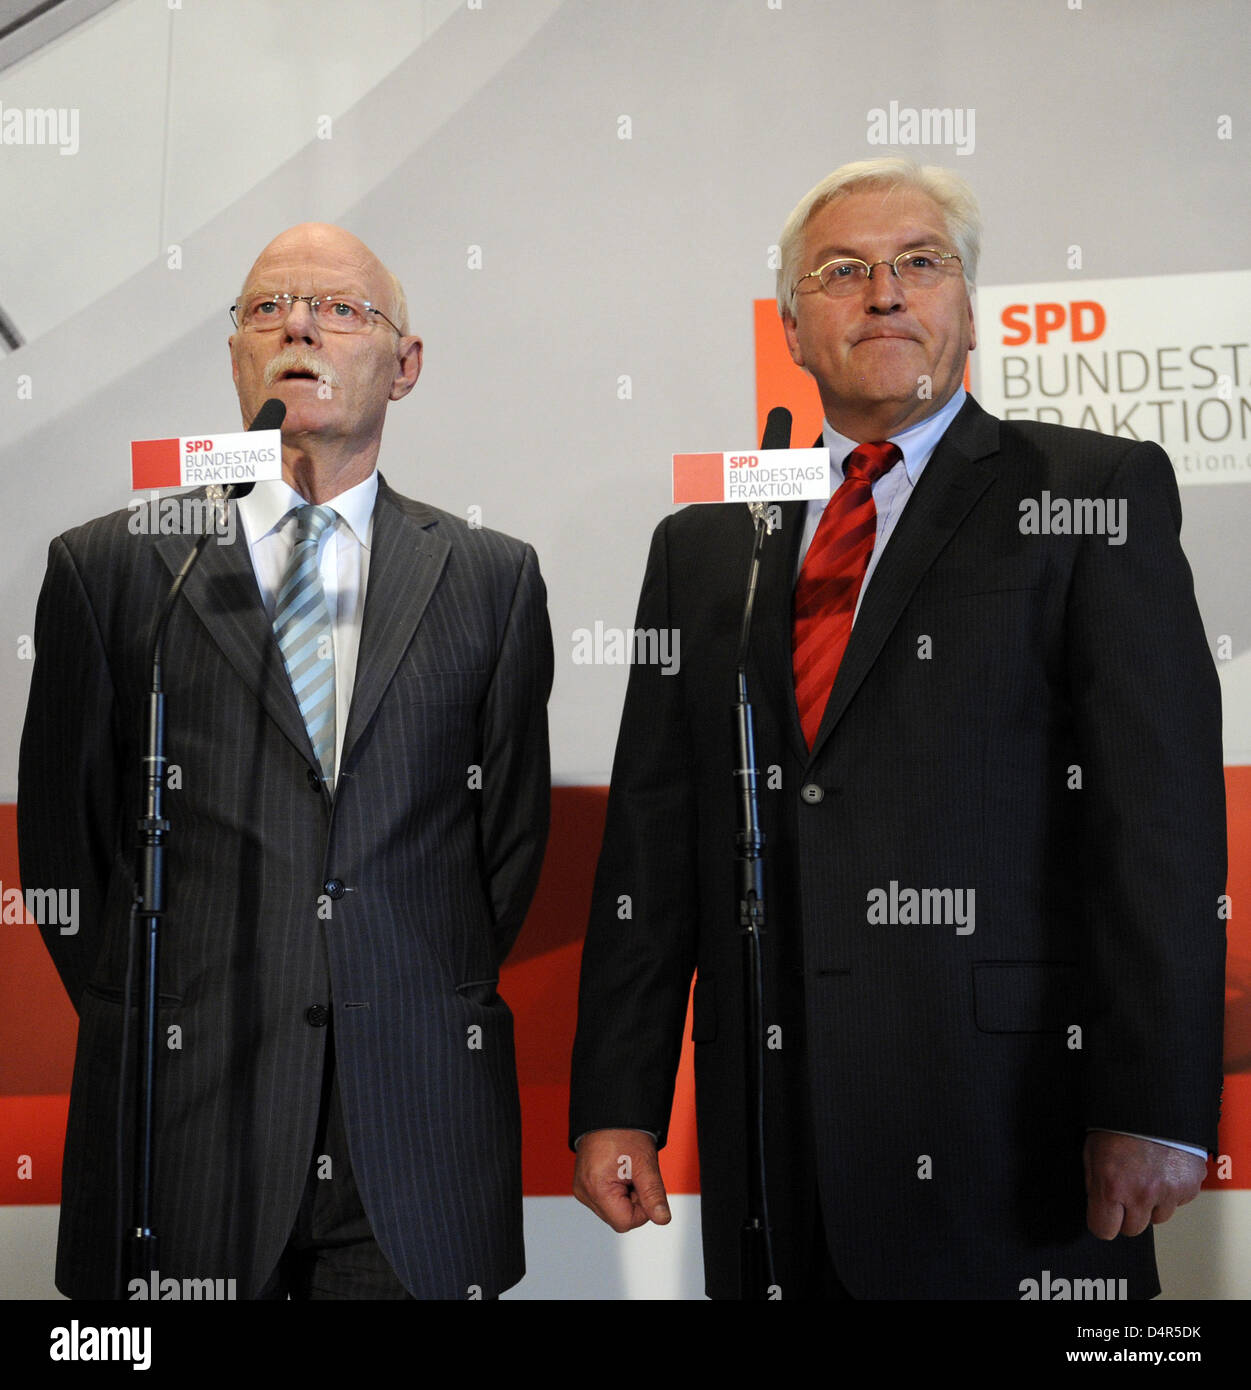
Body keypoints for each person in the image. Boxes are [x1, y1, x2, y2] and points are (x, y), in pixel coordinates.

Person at [569, 159, 1226, 1299]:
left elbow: (1157, 826)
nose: (884, 292)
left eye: (920, 263)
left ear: (969, 307)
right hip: (775, 1131)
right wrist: (618, 1099)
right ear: (791, 324)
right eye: (844, 271)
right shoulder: (709, 544)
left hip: (1009, 1129)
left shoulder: (1089, 490)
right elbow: (651, 846)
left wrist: (1156, 1104)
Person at [19, 223, 552, 1300]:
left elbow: (504, 851)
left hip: (413, 1137)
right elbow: (66, 859)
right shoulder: (117, 568)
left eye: (339, 309)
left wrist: (386, 987)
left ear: (404, 366)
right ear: (235, 357)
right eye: (267, 309)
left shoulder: (492, 579)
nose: (299, 325)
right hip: (183, 1133)